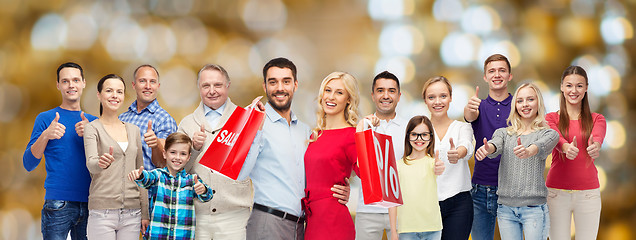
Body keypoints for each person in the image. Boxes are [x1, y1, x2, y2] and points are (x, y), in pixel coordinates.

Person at [237, 57, 351, 240]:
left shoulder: (306, 131)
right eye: (273, 82)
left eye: (286, 81)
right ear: (264, 87)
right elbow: (241, 173)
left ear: (295, 85)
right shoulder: (255, 123)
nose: (280, 88)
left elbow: (316, 174)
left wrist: (341, 190)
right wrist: (256, 131)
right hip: (268, 222)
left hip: (301, 227)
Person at [178, 64, 260, 240]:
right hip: (198, 216)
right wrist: (194, 149)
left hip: (235, 215)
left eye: (218, 85)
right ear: (199, 88)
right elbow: (177, 171)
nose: (212, 91)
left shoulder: (244, 118)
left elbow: (256, 163)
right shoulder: (186, 124)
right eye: (206, 86)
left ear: (228, 86)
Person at [23, 62, 97, 240]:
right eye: (65, 81)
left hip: (91, 204)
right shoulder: (45, 119)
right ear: (58, 85)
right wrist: (46, 135)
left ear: (83, 83)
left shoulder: (95, 123)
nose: (71, 85)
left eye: (75, 80)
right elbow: (28, 163)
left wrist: (91, 134)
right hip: (57, 204)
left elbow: (106, 164)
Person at [475, 83, 558, 240]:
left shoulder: (548, 133)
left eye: (530, 99)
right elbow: (496, 143)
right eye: (520, 101)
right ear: (515, 106)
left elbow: (542, 145)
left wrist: (529, 150)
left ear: (538, 103)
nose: (525, 104)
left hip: (533, 209)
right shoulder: (504, 133)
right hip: (506, 209)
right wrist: (488, 148)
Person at [83, 74, 149, 239]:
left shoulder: (134, 130)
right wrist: (100, 163)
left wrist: (145, 212)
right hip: (102, 213)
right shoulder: (92, 129)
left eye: (119, 92)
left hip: (132, 214)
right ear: (99, 95)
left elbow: (141, 173)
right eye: (109, 91)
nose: (114, 95)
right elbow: (91, 164)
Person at [545, 66, 606, 240]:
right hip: (556, 194)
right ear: (562, 87)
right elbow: (553, 135)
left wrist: (596, 145)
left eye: (579, 86)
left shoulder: (597, 119)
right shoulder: (551, 118)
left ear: (586, 88)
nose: (574, 90)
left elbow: (598, 134)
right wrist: (564, 147)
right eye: (569, 85)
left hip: (588, 194)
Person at [302, 71, 362, 240]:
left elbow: (370, 176)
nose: (332, 97)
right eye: (328, 90)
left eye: (339, 92)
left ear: (348, 99)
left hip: (334, 221)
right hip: (311, 220)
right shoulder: (315, 135)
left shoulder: (353, 135)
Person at [463, 54, 514, 240]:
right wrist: (468, 109)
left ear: (510, 75)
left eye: (502, 70)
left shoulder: (520, 106)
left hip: (512, 190)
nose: (497, 74)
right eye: (492, 71)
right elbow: (469, 116)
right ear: (485, 77)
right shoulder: (478, 107)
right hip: (480, 191)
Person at [128, 132, 214, 240]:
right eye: (173, 152)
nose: (177, 157)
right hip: (157, 236)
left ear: (188, 157)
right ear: (164, 154)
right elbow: (147, 178)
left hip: (183, 236)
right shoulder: (158, 175)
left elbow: (208, 195)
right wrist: (139, 175)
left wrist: (203, 190)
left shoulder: (192, 180)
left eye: (183, 154)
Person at [355, 71, 407, 240]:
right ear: (373, 95)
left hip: (403, 212)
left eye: (391, 91)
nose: (386, 96)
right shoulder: (363, 126)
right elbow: (357, 167)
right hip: (368, 210)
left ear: (399, 96)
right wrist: (366, 130)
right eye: (380, 90)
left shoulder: (409, 128)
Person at [422, 76, 474, 240]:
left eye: (443, 96)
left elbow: (467, 146)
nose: (438, 102)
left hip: (459, 204)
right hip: (425, 203)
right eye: (432, 97)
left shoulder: (462, 127)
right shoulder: (418, 130)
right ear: (425, 100)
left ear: (451, 98)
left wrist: (458, 153)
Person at [389, 115, 445, 240]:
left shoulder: (433, 163)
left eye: (424, 134)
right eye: (414, 134)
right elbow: (393, 202)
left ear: (431, 137)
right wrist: (393, 232)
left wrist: (439, 167)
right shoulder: (398, 166)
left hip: (433, 228)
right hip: (407, 230)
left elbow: (439, 168)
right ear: (408, 136)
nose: (419, 139)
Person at [119, 64, 177, 170]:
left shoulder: (165, 120)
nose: (148, 86)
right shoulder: (122, 118)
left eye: (152, 82)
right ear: (133, 85)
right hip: (120, 184)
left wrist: (156, 144)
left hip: (145, 186)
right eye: (142, 81)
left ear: (158, 86)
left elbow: (163, 163)